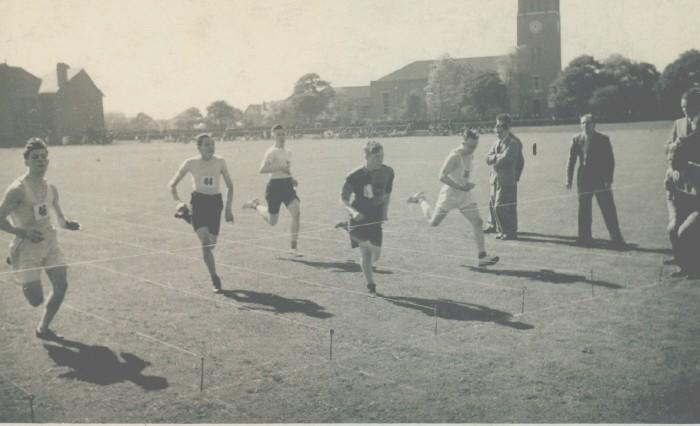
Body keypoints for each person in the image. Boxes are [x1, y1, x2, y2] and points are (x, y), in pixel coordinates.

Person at [0, 138, 81, 340]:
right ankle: (14, 256)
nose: (41, 161)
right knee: (35, 299)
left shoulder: (51, 188)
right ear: (26, 161)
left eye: (44, 157)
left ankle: (43, 328)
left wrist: (68, 224)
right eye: (35, 157)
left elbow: (60, 218)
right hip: (26, 245)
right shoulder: (17, 189)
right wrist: (24, 233)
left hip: (50, 242)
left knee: (61, 285)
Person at [406, 129, 499, 267]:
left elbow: (463, 174)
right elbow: (441, 176)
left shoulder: (470, 155)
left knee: (478, 222)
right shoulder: (454, 156)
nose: (473, 149)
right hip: (449, 195)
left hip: (464, 195)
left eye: (475, 146)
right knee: (433, 222)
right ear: (463, 142)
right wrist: (461, 186)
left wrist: (466, 185)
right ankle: (421, 200)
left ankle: (482, 256)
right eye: (470, 146)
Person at [169, 133, 234, 293]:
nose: (211, 147)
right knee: (205, 244)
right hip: (198, 202)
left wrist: (228, 209)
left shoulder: (220, 161)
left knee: (211, 244)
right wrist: (178, 201)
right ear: (199, 147)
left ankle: (187, 216)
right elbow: (172, 185)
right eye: (207, 144)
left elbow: (230, 186)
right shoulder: (190, 163)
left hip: (215, 203)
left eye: (212, 144)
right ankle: (215, 278)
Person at [339, 141, 394, 294]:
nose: (380, 160)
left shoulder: (388, 172)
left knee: (376, 255)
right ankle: (371, 285)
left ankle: (346, 229)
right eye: (376, 157)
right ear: (367, 156)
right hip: (359, 216)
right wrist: (353, 212)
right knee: (366, 252)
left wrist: (384, 212)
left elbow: (387, 195)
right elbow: (343, 199)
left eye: (382, 156)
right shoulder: (354, 175)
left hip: (375, 215)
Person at [566, 114, 626, 248]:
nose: (584, 126)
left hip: (600, 180)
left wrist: (608, 179)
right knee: (584, 210)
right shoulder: (576, 139)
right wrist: (568, 178)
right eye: (582, 123)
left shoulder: (603, 139)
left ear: (594, 124)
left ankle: (617, 239)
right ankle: (584, 238)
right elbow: (571, 161)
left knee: (608, 209)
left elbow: (610, 161)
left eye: (587, 123)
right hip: (583, 180)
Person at [243, 124, 301, 254]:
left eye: (283, 133)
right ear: (273, 136)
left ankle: (293, 247)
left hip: (287, 186)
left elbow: (286, 168)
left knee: (296, 213)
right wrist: (279, 168)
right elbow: (262, 170)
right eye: (278, 134)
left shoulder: (288, 152)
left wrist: (291, 178)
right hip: (274, 187)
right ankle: (255, 205)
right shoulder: (271, 152)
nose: (281, 136)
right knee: (272, 221)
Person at [664, 87, 700, 265]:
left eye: (688, 106)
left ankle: (690, 262)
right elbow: (668, 148)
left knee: (686, 231)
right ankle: (681, 259)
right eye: (683, 106)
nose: (685, 109)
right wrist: (673, 156)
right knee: (675, 228)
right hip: (681, 182)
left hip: (695, 181)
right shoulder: (678, 123)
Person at [484, 113, 524, 240]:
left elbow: (515, 161)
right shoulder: (497, 141)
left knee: (505, 206)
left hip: (508, 178)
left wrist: (515, 176)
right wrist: (496, 157)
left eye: (499, 125)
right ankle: (498, 227)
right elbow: (487, 158)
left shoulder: (514, 142)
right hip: (495, 178)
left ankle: (509, 230)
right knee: (493, 203)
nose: (497, 129)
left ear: (506, 126)